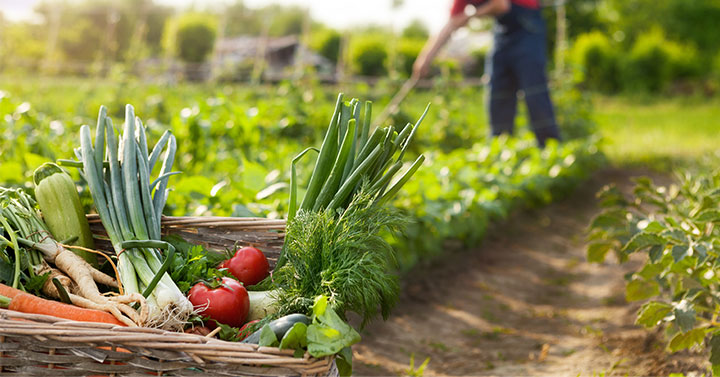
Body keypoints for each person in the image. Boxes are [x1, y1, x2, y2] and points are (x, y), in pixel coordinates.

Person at [412, 0, 561, 147]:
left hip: (528, 26)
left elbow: (501, 5)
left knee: (534, 92)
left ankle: (550, 149)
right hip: (502, 30)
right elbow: (452, 23)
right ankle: (500, 151)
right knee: (498, 91)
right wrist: (425, 59)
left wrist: (470, 16)